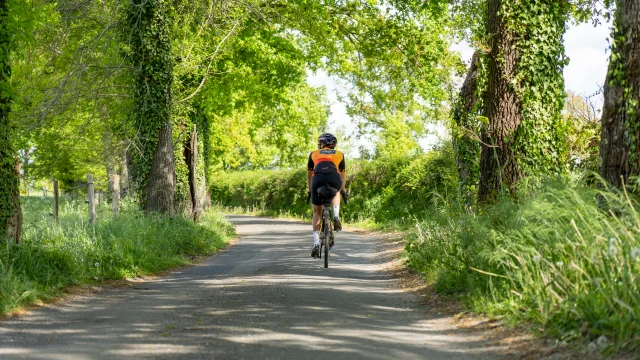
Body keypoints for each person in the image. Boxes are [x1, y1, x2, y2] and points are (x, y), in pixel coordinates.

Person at [307, 133, 346, 258]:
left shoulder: (314, 153)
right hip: (334, 178)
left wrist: (309, 190)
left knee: (317, 212)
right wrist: (343, 189)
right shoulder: (340, 154)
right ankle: (336, 216)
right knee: (337, 189)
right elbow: (342, 174)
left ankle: (316, 244)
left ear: (323, 143)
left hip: (317, 179)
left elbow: (309, 174)